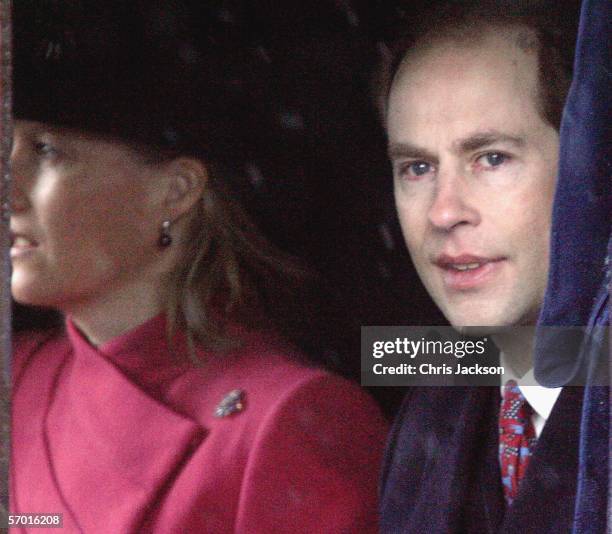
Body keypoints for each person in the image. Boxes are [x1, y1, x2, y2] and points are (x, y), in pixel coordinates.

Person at [9, 2, 388, 532]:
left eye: (47, 150)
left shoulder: (288, 417)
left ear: (177, 190)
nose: (9, 190)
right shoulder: (19, 379)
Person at [375, 5, 599, 532]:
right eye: (418, 168)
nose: (443, 211)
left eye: (492, 158)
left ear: (592, 166)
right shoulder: (430, 405)